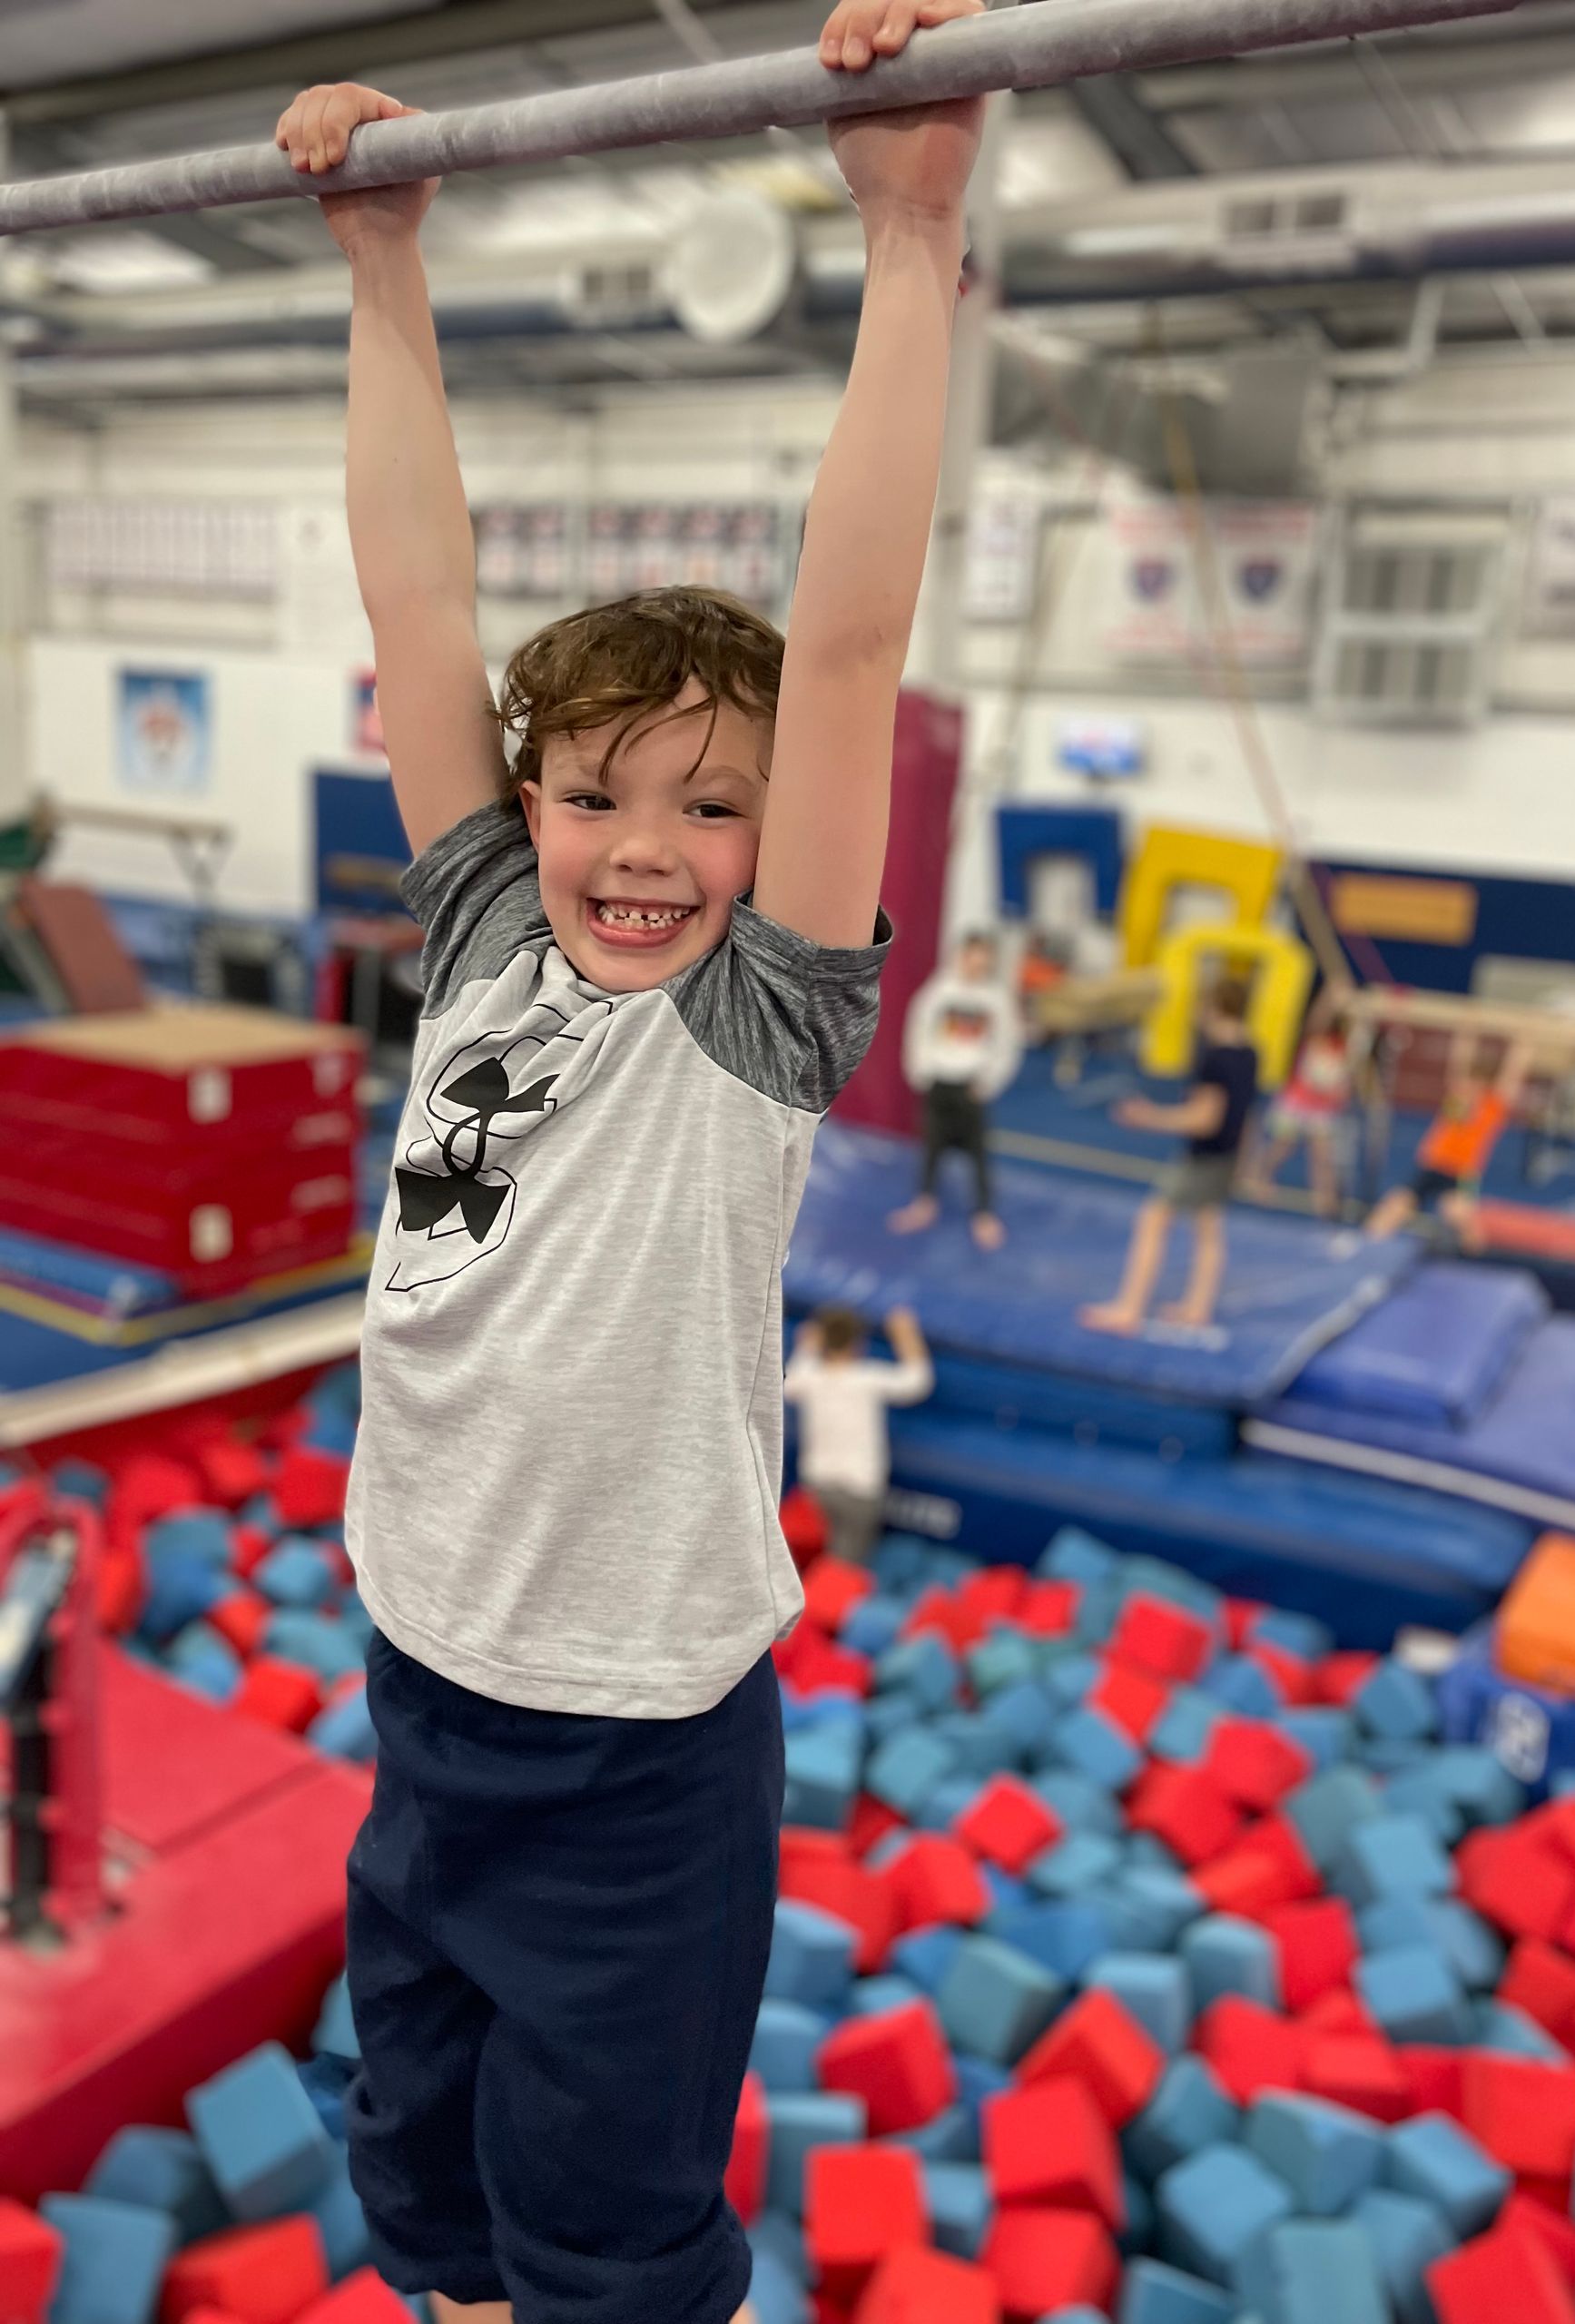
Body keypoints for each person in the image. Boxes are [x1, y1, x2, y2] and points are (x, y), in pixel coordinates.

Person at [276, 15, 986, 2324]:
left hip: (633, 1748)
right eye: (597, 792)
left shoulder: (751, 1021)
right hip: (421, 1679)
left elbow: (856, 638)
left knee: (605, 2229)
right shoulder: (485, 929)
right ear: (530, 803)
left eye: (712, 803)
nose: (648, 848)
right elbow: (416, 618)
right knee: (428, 2179)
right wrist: (384, 267)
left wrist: (906, 229)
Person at [1079, 973, 1259, 1335]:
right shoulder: (1250, 1052)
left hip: (1204, 1158)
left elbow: (1205, 1119)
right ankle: (1197, 1307)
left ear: (1213, 1008)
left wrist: (1147, 1117)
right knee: (1208, 1228)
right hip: (1225, 1156)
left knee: (1152, 1220)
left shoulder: (1217, 1058)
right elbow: (1246, 1116)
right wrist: (1244, 1162)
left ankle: (1128, 1309)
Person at [888, 928, 1022, 1249]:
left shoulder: (997, 999)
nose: (977, 965)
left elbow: (1008, 1044)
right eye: (972, 958)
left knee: (977, 1151)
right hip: (939, 1081)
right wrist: (920, 1071)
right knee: (932, 1145)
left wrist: (989, 1082)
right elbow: (919, 1028)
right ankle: (925, 1202)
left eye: (984, 961)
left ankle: (983, 1213)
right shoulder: (940, 991)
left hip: (970, 1085)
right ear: (963, 956)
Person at [783, 1304, 933, 1565]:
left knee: (812, 1562)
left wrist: (807, 1343)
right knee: (843, 1568)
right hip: (859, 1490)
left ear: (821, 1341)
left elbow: (790, 1382)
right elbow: (917, 1381)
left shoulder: (809, 1377)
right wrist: (906, 1335)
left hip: (819, 1486)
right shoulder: (867, 1378)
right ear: (859, 1344)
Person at [1366, 1031, 1533, 1251]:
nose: (1469, 1086)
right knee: (1396, 1204)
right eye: (1469, 1080)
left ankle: (1478, 1260)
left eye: (1475, 1083)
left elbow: (1512, 1076)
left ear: (1485, 1084)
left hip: (1460, 1171)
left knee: (1457, 1214)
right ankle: (1365, 1247)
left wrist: (1523, 1048)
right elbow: (1459, 1063)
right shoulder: (1458, 1094)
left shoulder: (1494, 1104)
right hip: (1432, 1164)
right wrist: (1467, 1032)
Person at [1245, 1000, 1354, 1217]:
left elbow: (1342, 1083)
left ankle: (1326, 1200)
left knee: (1322, 1155)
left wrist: (1341, 1093)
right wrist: (1330, 996)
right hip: (1297, 1104)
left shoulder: (1343, 1048)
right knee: (1282, 1146)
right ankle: (1260, 1177)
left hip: (1322, 1110)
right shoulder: (1314, 1039)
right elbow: (1317, 1018)